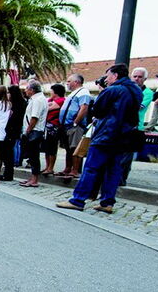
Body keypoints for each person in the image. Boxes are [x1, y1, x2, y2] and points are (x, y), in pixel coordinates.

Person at [56, 63, 142, 214]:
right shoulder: (136, 91)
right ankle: (107, 202)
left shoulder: (113, 90)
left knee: (91, 168)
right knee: (114, 170)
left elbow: (97, 110)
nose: (106, 79)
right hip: (123, 136)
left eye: (108, 76)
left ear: (115, 75)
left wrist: (103, 91)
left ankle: (78, 200)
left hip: (106, 134)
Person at [121, 67, 153, 184]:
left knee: (127, 155)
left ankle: (122, 178)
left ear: (145, 79)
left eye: (140, 77)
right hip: (122, 125)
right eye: (135, 76)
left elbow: (138, 107)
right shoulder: (127, 90)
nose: (136, 79)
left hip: (135, 127)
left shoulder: (148, 93)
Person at [56, 74, 91, 178]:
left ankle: (75, 170)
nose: (67, 83)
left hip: (74, 126)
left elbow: (84, 108)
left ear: (76, 82)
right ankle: (68, 168)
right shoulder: (73, 93)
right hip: (67, 125)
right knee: (68, 148)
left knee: (75, 148)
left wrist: (76, 122)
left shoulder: (83, 92)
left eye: (69, 81)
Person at [19, 80, 47, 187]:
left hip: (34, 131)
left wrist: (27, 131)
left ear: (32, 90)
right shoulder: (35, 99)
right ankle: (32, 178)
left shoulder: (38, 100)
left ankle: (34, 179)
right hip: (33, 130)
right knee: (31, 156)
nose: (25, 91)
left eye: (26, 89)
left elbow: (34, 117)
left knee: (34, 156)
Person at [42, 83, 66, 175]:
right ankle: (47, 166)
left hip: (54, 126)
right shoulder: (51, 100)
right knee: (46, 147)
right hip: (47, 126)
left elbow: (46, 108)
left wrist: (49, 104)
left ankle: (51, 167)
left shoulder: (61, 100)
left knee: (52, 147)